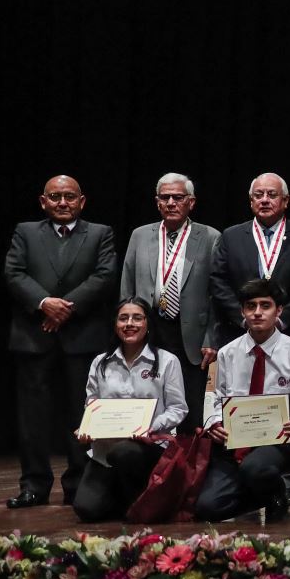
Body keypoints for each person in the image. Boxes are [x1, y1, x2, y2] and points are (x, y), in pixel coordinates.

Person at [4, 174, 118, 509]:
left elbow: (105, 275)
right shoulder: (25, 232)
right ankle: (34, 485)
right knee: (33, 418)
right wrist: (44, 303)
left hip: (82, 337)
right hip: (34, 336)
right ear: (43, 201)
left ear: (82, 201)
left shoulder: (100, 233)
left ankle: (79, 484)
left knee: (81, 416)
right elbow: (13, 273)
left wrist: (65, 308)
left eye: (69, 196)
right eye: (55, 197)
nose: (63, 202)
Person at [199, 278, 290, 522]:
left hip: (279, 441)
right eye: (250, 306)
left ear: (278, 310)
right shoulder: (227, 352)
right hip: (235, 441)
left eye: (265, 306)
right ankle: (263, 496)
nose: (257, 313)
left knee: (255, 469)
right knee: (207, 508)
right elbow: (219, 400)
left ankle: (276, 490)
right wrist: (214, 421)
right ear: (242, 311)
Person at [71, 298, 189, 522]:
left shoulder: (166, 361)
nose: (129, 324)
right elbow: (92, 403)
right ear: (115, 325)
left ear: (148, 324)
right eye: (123, 318)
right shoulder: (100, 362)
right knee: (86, 509)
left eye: (137, 318)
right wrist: (87, 429)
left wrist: (149, 427)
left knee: (125, 452)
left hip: (149, 449)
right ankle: (125, 498)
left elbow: (178, 408)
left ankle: (141, 500)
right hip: (105, 451)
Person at [119, 172, 220, 420]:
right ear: (157, 202)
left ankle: (187, 458)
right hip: (149, 329)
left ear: (191, 202)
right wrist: (126, 326)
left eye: (178, 197)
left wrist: (211, 337)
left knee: (190, 408)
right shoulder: (140, 235)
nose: (171, 203)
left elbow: (216, 295)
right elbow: (127, 285)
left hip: (191, 337)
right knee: (147, 404)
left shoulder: (210, 237)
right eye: (165, 197)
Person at [210, 172, 290, 344]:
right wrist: (244, 316)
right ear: (251, 201)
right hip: (239, 333)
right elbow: (218, 281)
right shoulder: (231, 236)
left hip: (289, 334)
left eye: (272, 195)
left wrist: (282, 318)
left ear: (286, 201)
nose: (264, 200)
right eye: (258, 195)